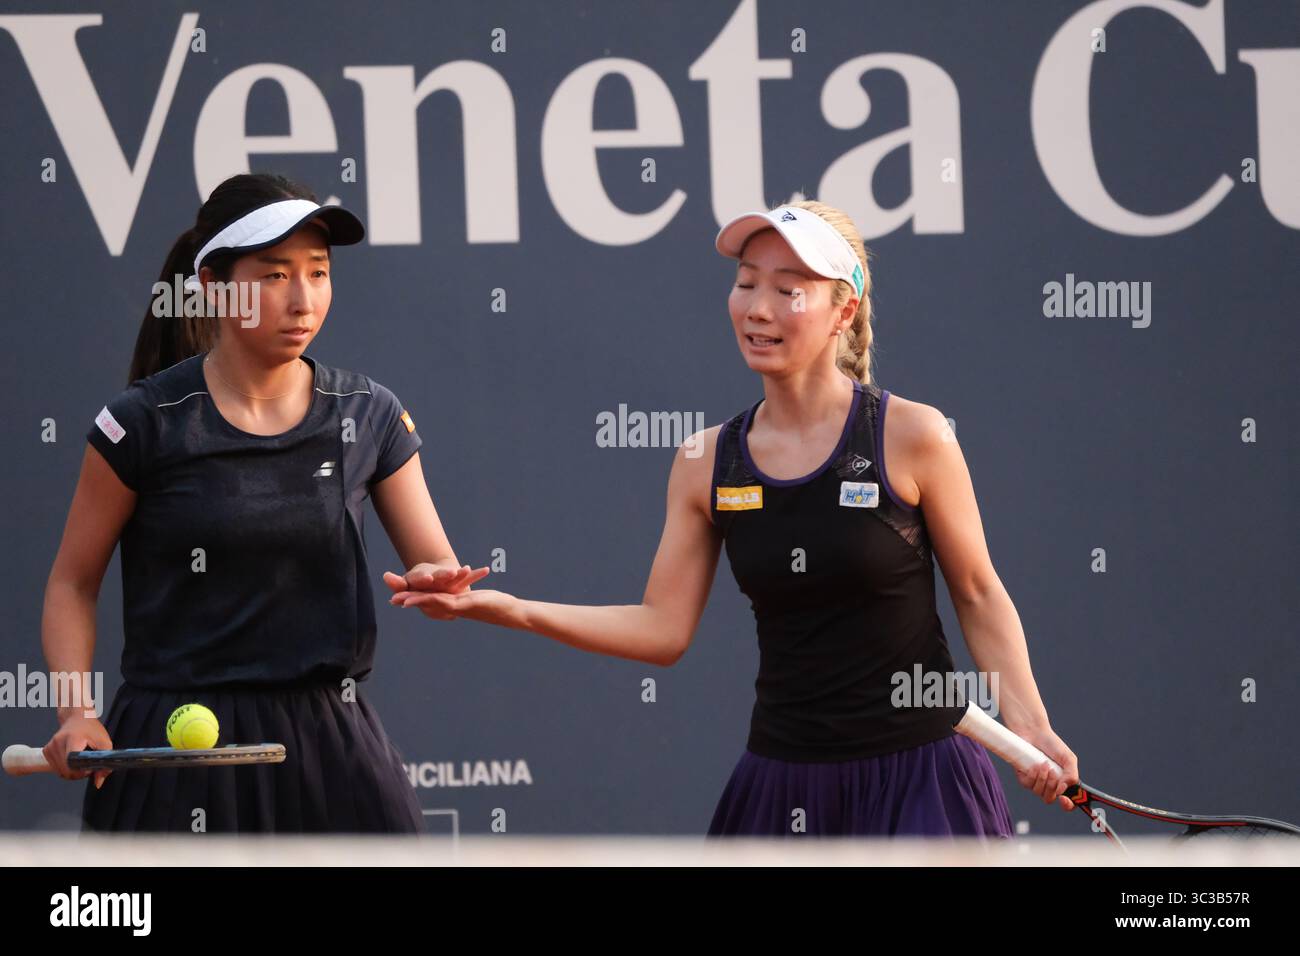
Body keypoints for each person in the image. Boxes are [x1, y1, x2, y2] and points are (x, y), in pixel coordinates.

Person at [388, 199, 1079, 836]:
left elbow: (978, 592)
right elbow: (661, 629)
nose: (758, 308)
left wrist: (1032, 724)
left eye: (788, 289)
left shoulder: (914, 435)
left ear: (843, 310)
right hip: (783, 785)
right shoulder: (704, 462)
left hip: (922, 781)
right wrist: (506, 607)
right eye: (747, 283)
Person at [40, 172, 487, 832]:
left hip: (329, 743)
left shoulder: (370, 414)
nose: (303, 299)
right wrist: (76, 712)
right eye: (274, 275)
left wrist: (436, 581)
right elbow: (73, 583)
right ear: (213, 286)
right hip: (172, 747)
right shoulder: (140, 422)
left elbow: (435, 565)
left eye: (318, 272)